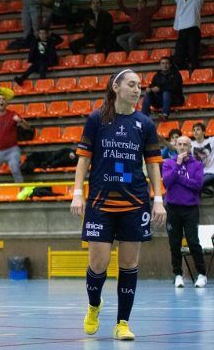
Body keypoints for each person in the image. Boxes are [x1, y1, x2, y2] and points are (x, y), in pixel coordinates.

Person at [70, 69, 166, 341]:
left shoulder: (145, 124)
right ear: (116, 87)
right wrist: (78, 193)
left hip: (135, 203)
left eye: (140, 86)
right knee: (98, 264)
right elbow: (84, 161)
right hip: (100, 203)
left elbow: (153, 164)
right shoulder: (96, 120)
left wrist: (157, 199)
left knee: (129, 264)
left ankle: (122, 323)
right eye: (132, 85)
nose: (138, 90)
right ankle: (93, 305)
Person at [162, 136, 207, 288]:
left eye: (185, 145)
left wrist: (179, 178)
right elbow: (167, 182)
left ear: (190, 147)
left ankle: (202, 274)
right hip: (173, 209)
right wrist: (178, 166)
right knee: (174, 243)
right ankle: (178, 275)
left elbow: (198, 185)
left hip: (190, 209)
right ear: (176, 146)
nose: (182, 147)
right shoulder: (168, 163)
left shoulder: (197, 165)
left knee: (193, 242)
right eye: (180, 144)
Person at [170, 0, 203, 71]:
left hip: (193, 31)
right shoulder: (179, 0)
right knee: (178, 56)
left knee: (193, 54)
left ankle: (195, 73)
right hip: (182, 31)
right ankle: (184, 73)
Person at [191, 122, 214, 196]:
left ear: (204, 132)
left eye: (198, 129)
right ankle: (206, 191)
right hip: (198, 173)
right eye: (194, 130)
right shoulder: (190, 144)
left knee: (197, 183)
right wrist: (164, 141)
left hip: (211, 172)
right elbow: (174, 148)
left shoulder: (211, 141)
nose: (195, 131)